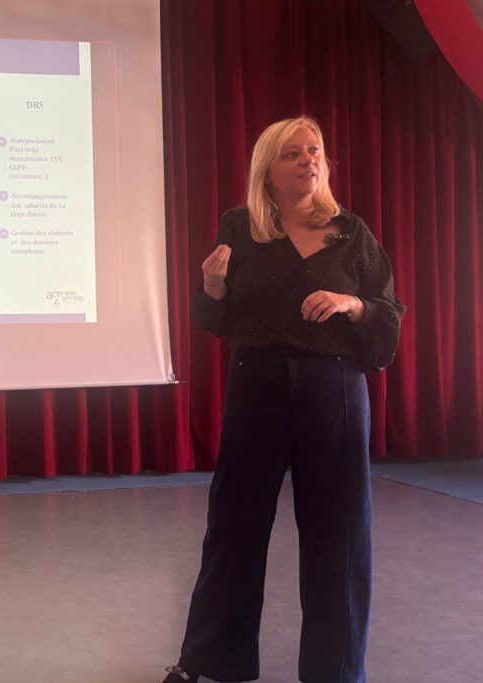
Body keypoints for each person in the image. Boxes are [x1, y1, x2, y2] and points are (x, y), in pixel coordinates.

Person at [162, 116, 405, 683]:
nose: (308, 160)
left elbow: (388, 311)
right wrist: (214, 286)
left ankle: (337, 671)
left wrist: (353, 306)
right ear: (267, 172)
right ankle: (211, 660)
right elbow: (211, 318)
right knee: (235, 525)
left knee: (340, 533)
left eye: (315, 150)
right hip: (258, 384)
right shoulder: (240, 227)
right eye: (292, 153)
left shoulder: (352, 233)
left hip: (335, 389)